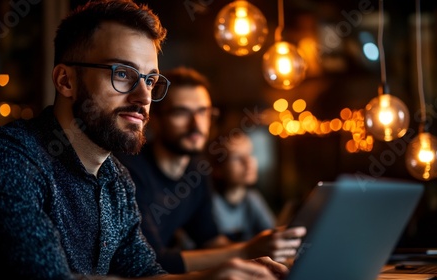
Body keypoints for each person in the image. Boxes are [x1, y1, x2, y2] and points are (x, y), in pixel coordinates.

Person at [0, 1, 290, 279]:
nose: (143, 97)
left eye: (150, 80)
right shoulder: (4, 157)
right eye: (123, 73)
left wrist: (236, 272)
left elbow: (144, 273)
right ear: (65, 80)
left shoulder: (117, 180)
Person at [115, 66, 306, 274]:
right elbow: (148, 262)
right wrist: (245, 250)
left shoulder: (197, 171)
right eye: (181, 112)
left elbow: (210, 240)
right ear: (156, 120)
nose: (197, 124)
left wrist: (265, 258)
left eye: (203, 112)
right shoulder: (129, 171)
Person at [208, 130, 276, 242]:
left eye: (250, 154)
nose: (248, 162)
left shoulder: (252, 198)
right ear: (218, 169)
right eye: (236, 157)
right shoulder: (208, 203)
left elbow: (271, 233)